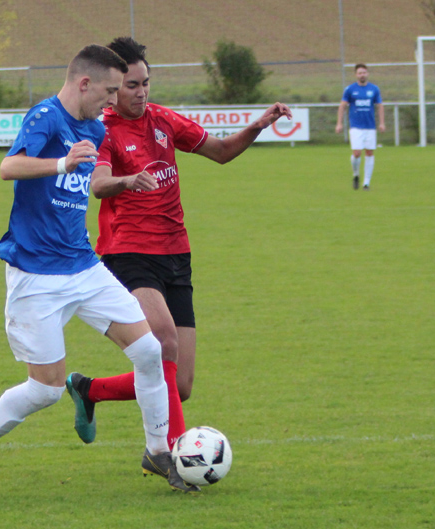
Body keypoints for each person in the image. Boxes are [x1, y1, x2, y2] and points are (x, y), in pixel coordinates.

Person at [0, 44, 198, 496]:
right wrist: (61, 163)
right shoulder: (46, 117)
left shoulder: (94, 128)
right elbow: (8, 167)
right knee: (45, 390)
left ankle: (158, 450)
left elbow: (99, 181)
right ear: (84, 83)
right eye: (108, 90)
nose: (112, 101)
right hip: (36, 277)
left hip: (85, 267)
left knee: (149, 351)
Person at [64, 36, 291, 456]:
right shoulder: (104, 130)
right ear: (114, 89)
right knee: (163, 340)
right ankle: (171, 456)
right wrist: (127, 181)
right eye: (131, 85)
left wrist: (258, 126)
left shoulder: (164, 120)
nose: (141, 91)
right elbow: (97, 184)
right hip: (128, 253)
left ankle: (88, 389)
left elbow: (221, 152)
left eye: (146, 82)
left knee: (179, 384)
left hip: (176, 255)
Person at [335, 63, 385, 190]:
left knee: (369, 152)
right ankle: (356, 174)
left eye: (364, 72)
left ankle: (366, 183)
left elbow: (379, 106)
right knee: (357, 153)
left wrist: (382, 123)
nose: (362, 75)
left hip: (370, 126)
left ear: (367, 73)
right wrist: (339, 123)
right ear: (356, 75)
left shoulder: (374, 89)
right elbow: (342, 106)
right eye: (359, 73)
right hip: (356, 126)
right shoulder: (350, 89)